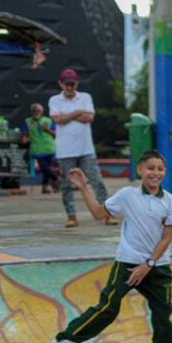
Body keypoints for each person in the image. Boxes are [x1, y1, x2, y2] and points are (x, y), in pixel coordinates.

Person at [49, 150, 172, 343]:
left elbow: (166, 238)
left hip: (157, 266)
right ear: (140, 170)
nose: (155, 173)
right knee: (109, 307)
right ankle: (65, 341)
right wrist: (83, 187)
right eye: (150, 168)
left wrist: (148, 265)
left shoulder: (171, 202)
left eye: (160, 169)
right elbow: (99, 214)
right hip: (128, 261)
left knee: (164, 317)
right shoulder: (127, 195)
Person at [49, 68, 111, 228]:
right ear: (61, 84)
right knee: (66, 184)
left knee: (97, 181)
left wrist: (67, 116)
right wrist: (77, 112)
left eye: (72, 84)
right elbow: (57, 120)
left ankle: (107, 213)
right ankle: (71, 216)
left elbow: (89, 118)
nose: (70, 87)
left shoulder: (85, 97)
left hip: (86, 149)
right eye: (67, 84)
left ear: (77, 83)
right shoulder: (54, 100)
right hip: (65, 150)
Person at [21, 103, 58, 193]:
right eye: (35, 110)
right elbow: (24, 134)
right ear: (32, 112)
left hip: (49, 148)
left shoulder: (48, 120)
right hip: (37, 149)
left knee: (46, 168)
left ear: (42, 111)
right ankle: (56, 179)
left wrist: (47, 130)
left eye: (38, 111)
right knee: (44, 167)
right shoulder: (28, 121)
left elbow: (56, 134)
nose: (36, 112)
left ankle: (45, 187)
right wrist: (24, 138)